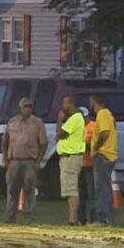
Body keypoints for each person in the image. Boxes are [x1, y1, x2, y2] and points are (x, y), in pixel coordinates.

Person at [1, 97, 48, 223]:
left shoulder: (37, 123)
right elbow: (5, 141)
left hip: (29, 161)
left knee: (30, 191)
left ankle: (30, 218)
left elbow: (43, 143)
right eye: (25, 106)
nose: (27, 109)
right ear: (20, 108)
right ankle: (10, 217)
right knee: (12, 190)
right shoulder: (12, 122)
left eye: (30, 106)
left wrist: (38, 161)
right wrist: (5, 158)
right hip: (14, 161)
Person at [55, 97, 86, 226]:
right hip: (69, 157)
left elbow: (60, 134)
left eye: (64, 103)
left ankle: (73, 220)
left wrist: (59, 120)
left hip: (71, 157)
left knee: (71, 189)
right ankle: (73, 218)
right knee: (69, 189)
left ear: (71, 103)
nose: (62, 105)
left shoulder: (75, 118)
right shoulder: (75, 118)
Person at [90, 94, 119, 226]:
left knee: (101, 188)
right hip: (109, 155)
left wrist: (96, 148)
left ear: (94, 102)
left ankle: (102, 218)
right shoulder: (109, 114)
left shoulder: (102, 114)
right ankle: (106, 218)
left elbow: (105, 133)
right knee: (105, 188)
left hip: (103, 155)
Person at [78, 107, 96, 225]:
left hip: (91, 165)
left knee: (92, 193)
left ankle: (94, 218)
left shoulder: (93, 126)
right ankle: (82, 219)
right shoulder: (76, 127)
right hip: (79, 165)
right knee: (81, 194)